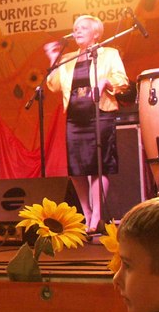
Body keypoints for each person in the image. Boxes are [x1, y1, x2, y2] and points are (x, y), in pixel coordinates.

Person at [44, 15, 128, 231]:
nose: (77, 31)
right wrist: (53, 59)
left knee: (98, 165)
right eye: (75, 28)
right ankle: (87, 212)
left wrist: (107, 82)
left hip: (100, 113)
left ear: (96, 33)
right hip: (75, 117)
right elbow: (53, 85)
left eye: (83, 28)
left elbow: (122, 80)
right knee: (77, 169)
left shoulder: (109, 54)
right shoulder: (68, 58)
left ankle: (97, 214)